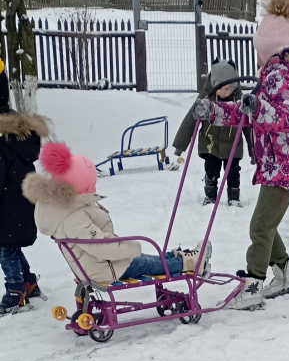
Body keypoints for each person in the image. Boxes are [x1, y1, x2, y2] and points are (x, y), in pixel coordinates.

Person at [192, 0, 289, 310]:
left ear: (268, 48)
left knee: (260, 225)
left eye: (258, 50)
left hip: (286, 166)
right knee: (268, 224)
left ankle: (253, 284)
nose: (255, 58)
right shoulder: (271, 76)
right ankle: (284, 273)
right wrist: (213, 111)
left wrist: (256, 107)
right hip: (277, 165)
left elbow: (284, 117)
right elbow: (247, 113)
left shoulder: (282, 77)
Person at [22, 143, 212, 285]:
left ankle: (176, 256)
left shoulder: (65, 208)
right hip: (104, 268)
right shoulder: (72, 216)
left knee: (145, 259)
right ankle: (189, 262)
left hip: (99, 264)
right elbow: (100, 245)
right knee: (144, 262)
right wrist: (131, 246)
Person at [0, 62, 50, 315]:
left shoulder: (1, 138)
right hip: (19, 202)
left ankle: (15, 291)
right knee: (10, 245)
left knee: (4, 249)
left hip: (7, 203)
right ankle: (28, 283)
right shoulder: (15, 131)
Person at [173, 58, 253, 206]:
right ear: (213, 83)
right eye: (220, 87)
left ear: (234, 86)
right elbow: (190, 120)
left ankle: (233, 196)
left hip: (232, 144)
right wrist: (180, 145)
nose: (224, 91)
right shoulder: (205, 99)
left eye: (228, 88)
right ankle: (210, 196)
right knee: (211, 170)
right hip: (210, 143)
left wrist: (253, 151)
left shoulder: (239, 101)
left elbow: (248, 128)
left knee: (233, 172)